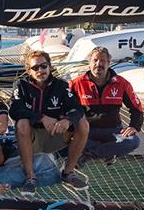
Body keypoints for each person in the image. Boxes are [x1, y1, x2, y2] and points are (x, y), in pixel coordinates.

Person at [10, 50, 89, 194]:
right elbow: (15, 110)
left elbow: (77, 108)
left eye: (44, 66)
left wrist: (67, 120)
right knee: (21, 123)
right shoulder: (20, 85)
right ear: (28, 70)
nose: (40, 70)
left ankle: (68, 173)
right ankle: (30, 177)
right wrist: (41, 118)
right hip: (33, 138)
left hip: (56, 134)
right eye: (35, 68)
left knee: (83, 123)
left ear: (50, 66)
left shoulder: (61, 86)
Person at [69, 46, 143, 166]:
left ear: (108, 63)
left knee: (133, 141)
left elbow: (136, 108)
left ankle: (88, 155)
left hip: (114, 131)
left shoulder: (122, 83)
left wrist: (134, 126)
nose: (99, 64)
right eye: (95, 60)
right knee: (68, 140)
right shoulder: (76, 84)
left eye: (103, 61)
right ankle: (110, 152)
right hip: (88, 132)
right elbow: (67, 108)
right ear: (89, 63)